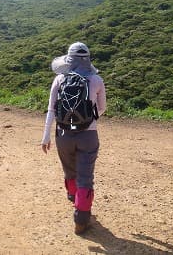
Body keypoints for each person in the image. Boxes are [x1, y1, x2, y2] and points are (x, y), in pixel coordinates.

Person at [41, 42, 106, 235]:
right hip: (88, 135)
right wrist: (88, 121)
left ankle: (73, 197)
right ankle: (81, 219)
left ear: (69, 59)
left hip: (63, 135)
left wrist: (45, 137)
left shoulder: (60, 79)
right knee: (86, 177)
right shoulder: (96, 79)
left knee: (70, 171)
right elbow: (102, 108)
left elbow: (51, 109)